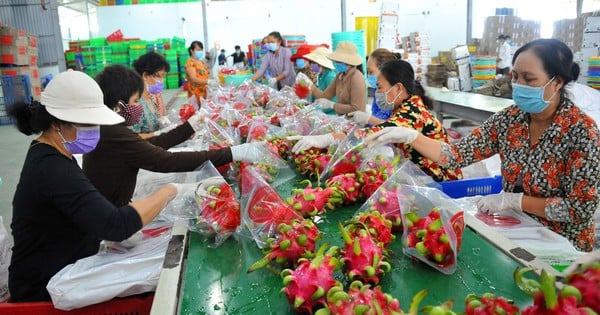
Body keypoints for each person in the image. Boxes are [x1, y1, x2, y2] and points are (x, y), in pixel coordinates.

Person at [366, 39, 600, 252]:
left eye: (528, 79)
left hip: (564, 244)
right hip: (518, 230)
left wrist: (513, 200)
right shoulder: (510, 119)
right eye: (515, 76)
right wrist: (411, 137)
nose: (519, 85)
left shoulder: (582, 132)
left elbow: (579, 209)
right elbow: (456, 155)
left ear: (557, 82)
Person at [6, 70, 181, 302]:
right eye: (88, 124)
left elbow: (89, 212)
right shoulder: (50, 168)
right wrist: (169, 191)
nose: (95, 131)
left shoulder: (56, 154)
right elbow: (116, 225)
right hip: (44, 287)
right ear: (59, 123)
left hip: (67, 265)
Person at [85, 65, 265, 207]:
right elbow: (166, 161)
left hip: (113, 206)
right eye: (135, 101)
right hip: (111, 216)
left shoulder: (110, 129)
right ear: (118, 105)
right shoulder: (112, 133)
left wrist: (189, 127)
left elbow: (154, 144)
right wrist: (232, 153)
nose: (138, 106)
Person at [290, 59, 462, 182]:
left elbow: (373, 134)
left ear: (398, 88)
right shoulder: (407, 106)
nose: (377, 93)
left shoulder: (412, 112)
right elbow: (389, 128)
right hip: (424, 176)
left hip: (440, 182)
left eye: (380, 87)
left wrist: (327, 138)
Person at [348, 48, 402, 126]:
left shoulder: (396, 95)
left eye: (371, 72)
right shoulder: (378, 90)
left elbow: (395, 127)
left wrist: (368, 119)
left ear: (384, 70)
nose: (369, 75)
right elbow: (376, 114)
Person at [310, 41, 366, 115]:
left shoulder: (356, 78)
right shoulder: (340, 76)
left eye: (339, 61)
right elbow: (325, 95)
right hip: (342, 119)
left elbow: (357, 108)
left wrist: (332, 105)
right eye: (336, 61)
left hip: (355, 121)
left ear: (348, 61)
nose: (336, 63)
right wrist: (310, 86)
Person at [131, 52, 169, 135]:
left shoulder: (150, 98)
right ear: (145, 75)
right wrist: (156, 134)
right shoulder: (134, 103)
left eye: (163, 77)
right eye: (159, 76)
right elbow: (132, 138)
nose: (162, 81)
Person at [185, 40, 210, 105]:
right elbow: (193, 78)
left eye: (201, 49)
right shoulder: (190, 62)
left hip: (204, 92)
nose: (200, 51)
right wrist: (208, 82)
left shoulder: (201, 62)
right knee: (197, 112)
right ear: (191, 50)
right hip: (195, 93)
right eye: (198, 50)